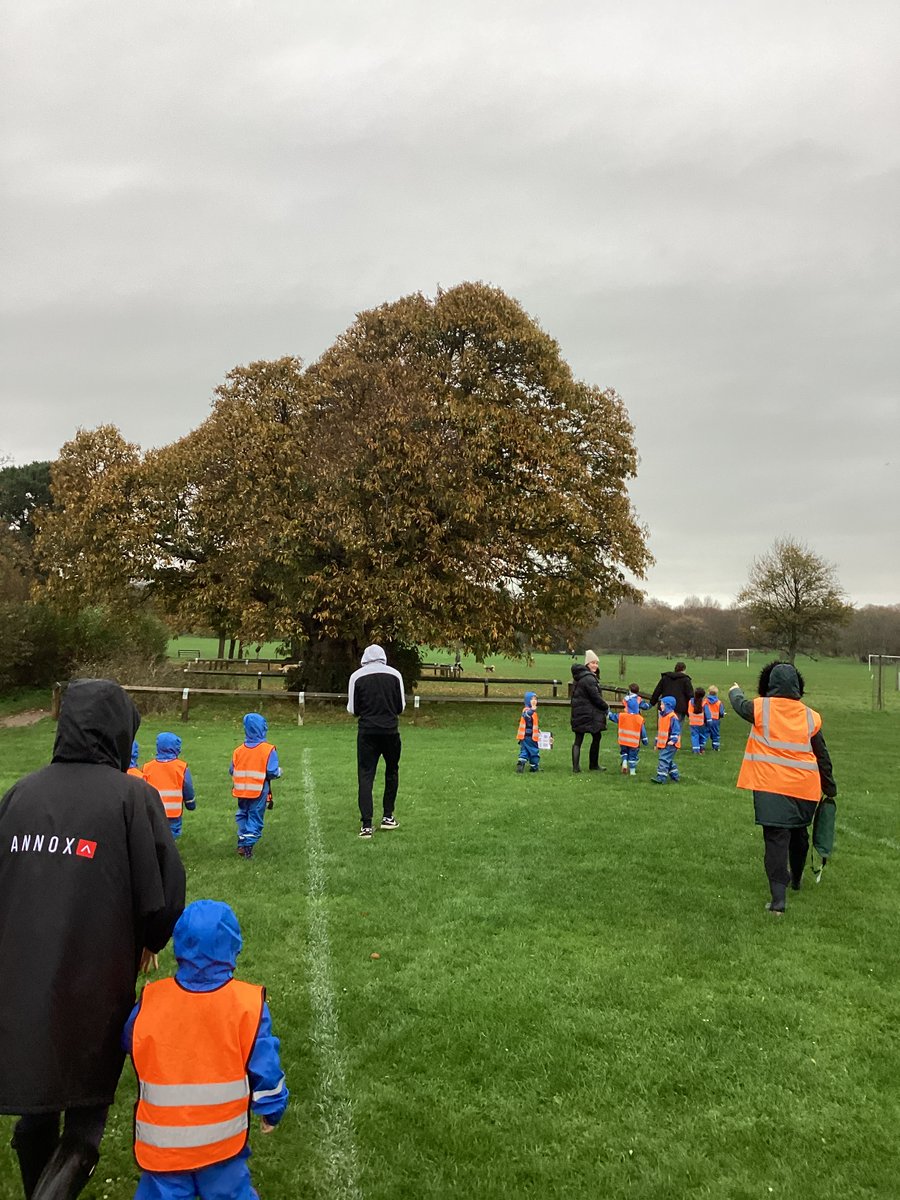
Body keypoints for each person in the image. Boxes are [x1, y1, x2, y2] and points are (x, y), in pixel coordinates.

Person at [0, 678, 186, 1200]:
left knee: (36, 1106)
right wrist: (152, 937)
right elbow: (165, 892)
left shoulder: (20, 794)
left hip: (18, 979)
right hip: (93, 978)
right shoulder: (134, 797)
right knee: (83, 1120)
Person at [123, 900, 289, 1200]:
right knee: (231, 1193)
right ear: (233, 947)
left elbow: (129, 1040)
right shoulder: (246, 1005)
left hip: (164, 1145)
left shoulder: (151, 1000)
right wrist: (272, 1109)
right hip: (221, 1145)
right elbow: (265, 1065)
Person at [730, 661, 837, 915]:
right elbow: (822, 754)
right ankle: (797, 879)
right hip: (804, 788)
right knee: (799, 835)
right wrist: (830, 787)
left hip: (770, 787)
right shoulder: (810, 716)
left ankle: (778, 901)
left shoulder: (760, 708)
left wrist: (734, 690)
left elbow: (739, 705)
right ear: (798, 687)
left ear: (771, 685)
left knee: (776, 840)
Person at [347, 644, 406, 838]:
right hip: (390, 731)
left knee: (365, 776)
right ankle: (388, 816)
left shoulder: (357, 677)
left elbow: (353, 709)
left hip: (367, 732)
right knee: (392, 771)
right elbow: (401, 706)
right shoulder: (395, 675)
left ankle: (366, 824)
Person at [231, 714, 282, 859]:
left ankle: (242, 841)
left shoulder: (238, 750)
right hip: (258, 790)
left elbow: (232, 769)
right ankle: (248, 846)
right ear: (264, 728)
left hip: (241, 790)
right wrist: (279, 772)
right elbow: (272, 772)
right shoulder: (268, 749)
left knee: (243, 814)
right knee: (255, 816)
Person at [142, 732, 196, 840]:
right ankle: (168, 853)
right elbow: (187, 787)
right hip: (173, 812)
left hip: (153, 810)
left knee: (154, 832)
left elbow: (142, 788)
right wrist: (190, 803)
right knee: (171, 835)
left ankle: (156, 853)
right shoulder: (181, 767)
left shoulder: (147, 767)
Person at [569, 651, 609, 773]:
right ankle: (593, 765)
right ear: (587, 664)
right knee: (596, 736)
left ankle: (576, 767)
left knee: (578, 739)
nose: (595, 665)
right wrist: (605, 706)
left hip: (578, 712)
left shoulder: (579, 677)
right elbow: (595, 697)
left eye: (596, 663)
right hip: (589, 713)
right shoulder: (589, 679)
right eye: (593, 663)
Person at [608, 692, 649, 775]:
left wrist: (608, 712)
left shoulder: (622, 716)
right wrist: (645, 740)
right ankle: (632, 771)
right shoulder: (639, 718)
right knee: (633, 756)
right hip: (634, 741)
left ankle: (624, 762)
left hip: (623, 740)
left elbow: (612, 717)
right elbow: (643, 731)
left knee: (624, 752)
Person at [650, 695, 681, 784]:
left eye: (662, 704)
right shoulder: (663, 717)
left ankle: (661, 777)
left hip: (671, 744)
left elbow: (676, 730)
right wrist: (657, 743)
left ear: (668, 705)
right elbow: (660, 732)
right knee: (668, 760)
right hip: (664, 743)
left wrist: (673, 740)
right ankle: (675, 775)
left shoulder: (672, 717)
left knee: (663, 759)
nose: (661, 706)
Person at [516, 691, 541, 773]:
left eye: (535, 699)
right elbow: (526, 716)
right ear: (527, 701)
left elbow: (533, 724)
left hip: (524, 736)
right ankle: (534, 767)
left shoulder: (532, 712)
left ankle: (521, 762)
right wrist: (532, 711)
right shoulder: (527, 710)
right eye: (532, 699)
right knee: (534, 750)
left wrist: (538, 730)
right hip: (530, 736)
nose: (534, 701)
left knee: (525, 750)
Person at [702, 685, 726, 751]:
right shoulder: (719, 702)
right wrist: (722, 715)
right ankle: (715, 747)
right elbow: (721, 712)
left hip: (707, 720)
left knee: (705, 733)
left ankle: (702, 746)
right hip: (715, 720)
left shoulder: (705, 701)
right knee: (715, 734)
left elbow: (702, 709)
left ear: (708, 692)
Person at [686, 687, 708, 754]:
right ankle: (702, 747)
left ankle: (696, 749)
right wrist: (708, 720)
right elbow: (707, 712)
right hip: (701, 722)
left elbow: (689, 711)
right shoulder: (704, 703)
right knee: (702, 735)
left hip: (692, 722)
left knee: (694, 736)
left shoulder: (690, 702)